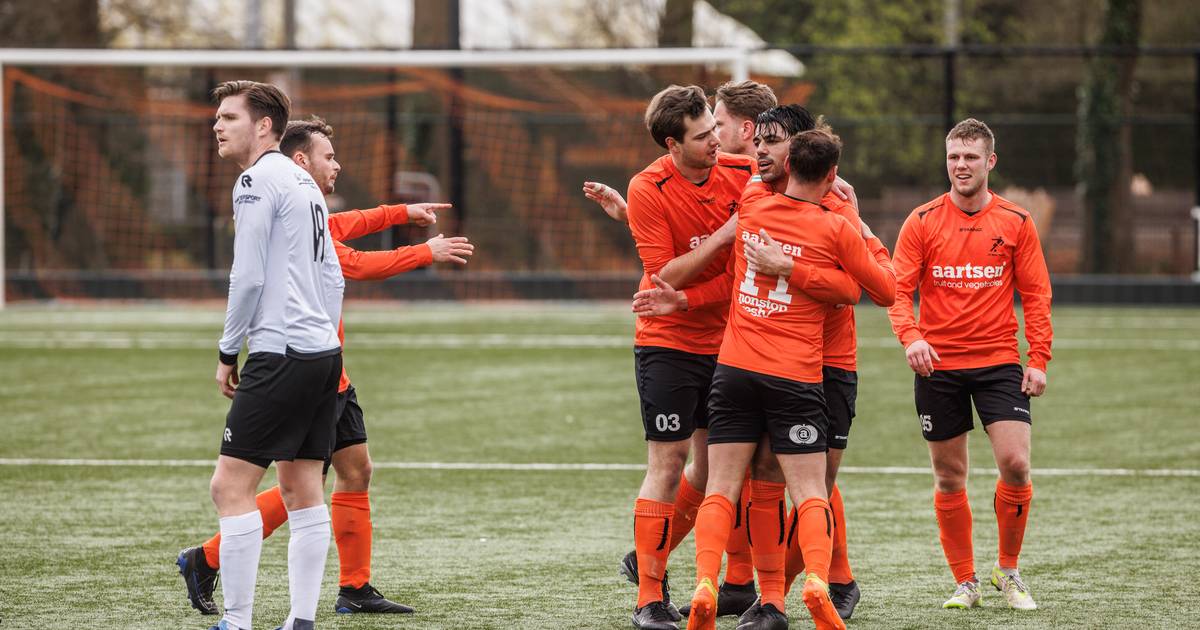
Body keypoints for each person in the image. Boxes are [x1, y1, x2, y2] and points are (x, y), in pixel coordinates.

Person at [177, 116, 472, 617]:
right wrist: (426, 251)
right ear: (299, 161)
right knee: (298, 484)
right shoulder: (288, 218)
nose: (336, 164)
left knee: (355, 471)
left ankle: (353, 589)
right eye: (328, 156)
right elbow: (352, 262)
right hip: (303, 370)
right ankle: (209, 558)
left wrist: (402, 211)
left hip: (330, 373)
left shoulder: (310, 209)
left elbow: (349, 222)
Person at [634, 128, 893, 630]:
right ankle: (816, 579)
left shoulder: (751, 203)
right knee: (809, 490)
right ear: (834, 176)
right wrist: (813, 256)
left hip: (732, 371)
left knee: (720, 487)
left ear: (789, 164)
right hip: (795, 376)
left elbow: (735, 189)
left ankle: (706, 582)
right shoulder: (836, 227)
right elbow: (877, 289)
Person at [886, 118, 1051, 611]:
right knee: (949, 477)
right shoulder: (921, 221)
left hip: (999, 361)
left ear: (990, 162)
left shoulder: (1017, 222)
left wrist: (1038, 358)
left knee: (1016, 465)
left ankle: (1008, 569)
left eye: (971, 157)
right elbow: (897, 292)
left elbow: (1037, 295)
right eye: (954, 157)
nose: (961, 165)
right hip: (937, 368)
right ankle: (966, 581)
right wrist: (911, 337)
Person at [206, 80, 344, 630]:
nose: (217, 126)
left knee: (229, 487)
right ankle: (301, 621)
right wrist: (323, 335)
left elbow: (247, 276)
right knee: (301, 486)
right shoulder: (303, 180)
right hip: (320, 353)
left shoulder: (257, 178)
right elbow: (331, 273)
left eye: (229, 117)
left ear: (264, 126)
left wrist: (226, 350)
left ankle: (236, 623)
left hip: (281, 351)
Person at [620, 84, 758, 630]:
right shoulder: (648, 187)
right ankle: (649, 599)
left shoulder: (741, 171)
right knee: (668, 461)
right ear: (671, 146)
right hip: (667, 343)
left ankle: (735, 582)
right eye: (702, 137)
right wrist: (725, 235)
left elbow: (728, 277)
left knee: (720, 467)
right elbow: (664, 276)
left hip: (730, 341)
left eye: (715, 130)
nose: (715, 143)